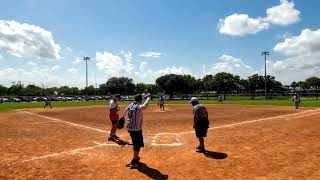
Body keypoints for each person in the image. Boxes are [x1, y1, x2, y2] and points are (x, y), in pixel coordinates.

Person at [122, 93, 151, 168]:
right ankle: (134, 161)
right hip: (136, 129)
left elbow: (124, 113)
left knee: (135, 142)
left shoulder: (130, 105)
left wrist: (123, 120)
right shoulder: (139, 107)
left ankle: (136, 156)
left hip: (129, 128)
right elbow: (145, 105)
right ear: (140, 100)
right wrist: (148, 97)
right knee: (137, 144)